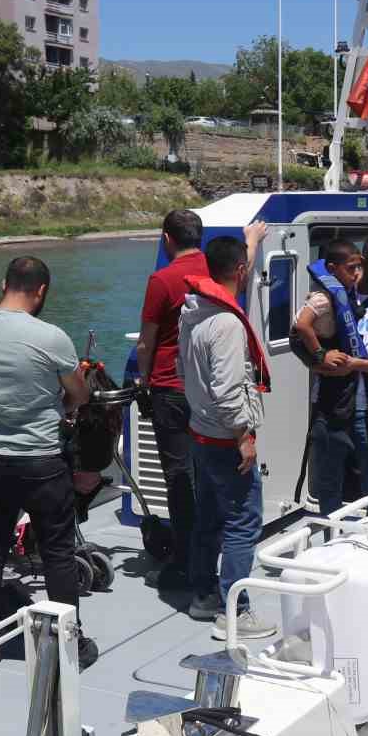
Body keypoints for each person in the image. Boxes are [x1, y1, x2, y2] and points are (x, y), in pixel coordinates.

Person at [0, 255, 94, 677]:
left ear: (3, 283)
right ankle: (68, 645)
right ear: (41, 291)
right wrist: (63, 406)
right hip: (42, 462)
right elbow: (80, 396)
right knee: (57, 555)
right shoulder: (51, 338)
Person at [182, 227, 279, 642]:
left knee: (209, 517)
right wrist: (244, 436)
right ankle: (234, 612)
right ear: (239, 271)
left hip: (200, 433)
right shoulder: (226, 325)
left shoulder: (194, 310)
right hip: (225, 439)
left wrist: (250, 243)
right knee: (243, 522)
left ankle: (203, 594)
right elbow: (226, 390)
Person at [294, 236, 368, 513]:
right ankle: (330, 546)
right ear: (362, 263)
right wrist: (319, 357)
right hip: (329, 406)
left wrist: (357, 365)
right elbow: (302, 331)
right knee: (328, 487)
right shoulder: (334, 291)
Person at [134, 209, 206, 589]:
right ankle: (209, 545)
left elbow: (146, 341)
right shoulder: (213, 272)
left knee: (178, 476)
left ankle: (185, 559)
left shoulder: (162, 280)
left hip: (170, 388)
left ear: (167, 240)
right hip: (207, 389)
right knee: (207, 471)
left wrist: (143, 381)